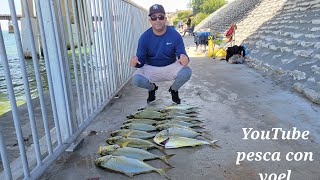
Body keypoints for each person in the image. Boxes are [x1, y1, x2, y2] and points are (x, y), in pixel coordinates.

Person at [130, 4, 192, 104]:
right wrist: (135, 63)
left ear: (165, 19)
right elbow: (140, 62)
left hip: (170, 67)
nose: (157, 20)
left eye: (160, 17)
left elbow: (182, 55)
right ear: (150, 20)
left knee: (187, 72)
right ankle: (152, 88)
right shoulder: (144, 37)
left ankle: (174, 90)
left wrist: (185, 59)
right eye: (154, 17)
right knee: (136, 79)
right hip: (150, 68)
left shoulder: (175, 35)